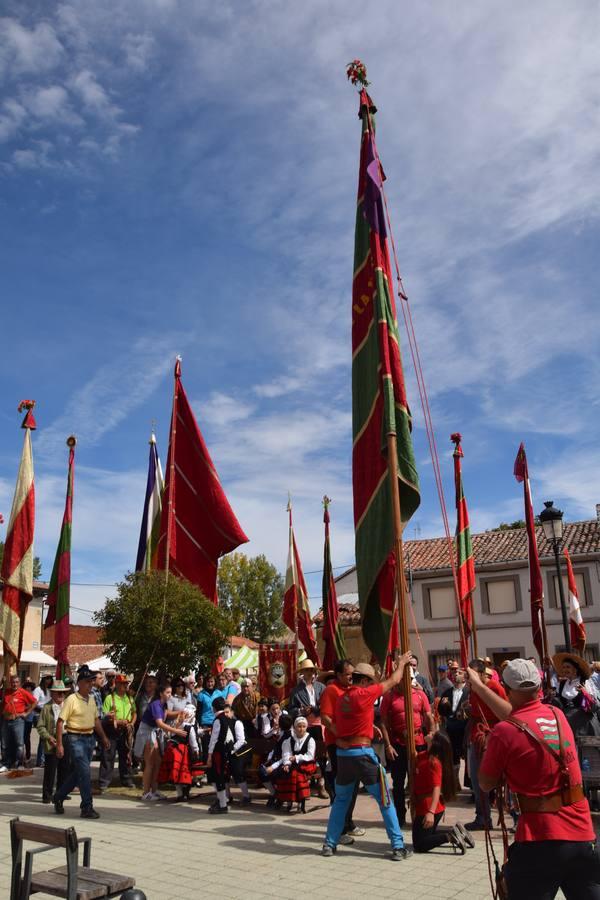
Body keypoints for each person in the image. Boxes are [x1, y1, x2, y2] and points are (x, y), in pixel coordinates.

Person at [476, 658, 600, 899]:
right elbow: (524, 722)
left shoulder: (504, 731)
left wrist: (491, 751)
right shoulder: (557, 714)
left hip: (541, 838)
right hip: (583, 833)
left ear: (508, 690)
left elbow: (485, 782)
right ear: (539, 686)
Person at [321, 653, 413, 860]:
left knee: (341, 801)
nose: (373, 685)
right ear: (364, 681)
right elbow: (394, 681)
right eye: (370, 681)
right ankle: (398, 847)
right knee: (385, 800)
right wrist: (402, 664)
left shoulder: (342, 697)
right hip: (363, 755)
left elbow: (342, 722)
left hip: (344, 755)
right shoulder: (363, 694)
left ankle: (329, 844)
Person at [53, 665, 111, 819]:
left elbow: (96, 720)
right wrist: (59, 744)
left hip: (89, 738)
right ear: (79, 683)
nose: (90, 684)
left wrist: (103, 737)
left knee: (79, 773)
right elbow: (60, 722)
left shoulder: (91, 699)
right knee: (85, 773)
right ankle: (87, 807)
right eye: (87, 681)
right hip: (75, 738)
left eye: (91, 681)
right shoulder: (71, 699)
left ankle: (58, 797)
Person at [380, 671, 436, 827]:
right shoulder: (389, 697)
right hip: (398, 744)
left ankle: (420, 813)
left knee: (419, 780)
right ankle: (400, 815)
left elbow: (429, 717)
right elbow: (383, 722)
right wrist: (388, 745)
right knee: (398, 783)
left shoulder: (419, 695)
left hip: (418, 742)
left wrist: (431, 736)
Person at [320, 659, 363, 841]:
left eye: (352, 673)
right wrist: (341, 736)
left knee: (353, 785)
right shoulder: (332, 690)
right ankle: (340, 829)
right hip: (337, 744)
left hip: (352, 744)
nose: (351, 677)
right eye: (347, 674)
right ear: (338, 675)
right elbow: (325, 719)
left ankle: (348, 822)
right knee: (343, 786)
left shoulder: (351, 690)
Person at [464, 658, 508, 830]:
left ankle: (514, 816)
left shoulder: (495, 688)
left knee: (502, 780)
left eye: (473, 675)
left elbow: (505, 711)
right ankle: (482, 817)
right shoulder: (473, 690)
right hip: (476, 737)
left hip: (492, 738)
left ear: (482, 673)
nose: (470, 679)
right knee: (476, 780)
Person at [412, 731, 472, 854]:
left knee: (419, 845)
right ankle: (456, 831)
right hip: (425, 805)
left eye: (433, 734)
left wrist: (430, 813)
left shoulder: (434, 762)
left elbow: (436, 788)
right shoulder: (425, 755)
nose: (430, 732)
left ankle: (450, 836)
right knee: (428, 835)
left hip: (429, 807)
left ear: (435, 743)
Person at [133, 682, 187, 801]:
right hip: (147, 732)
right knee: (150, 763)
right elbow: (160, 723)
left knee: (158, 762)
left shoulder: (164, 705)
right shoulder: (156, 704)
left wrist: (179, 720)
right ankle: (146, 793)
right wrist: (176, 731)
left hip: (155, 732)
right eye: (167, 692)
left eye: (170, 692)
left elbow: (163, 722)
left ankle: (154, 790)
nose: (170, 695)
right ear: (161, 693)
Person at [206, 697, 251, 813]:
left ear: (214, 708)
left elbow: (214, 739)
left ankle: (223, 804)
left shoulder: (219, 720)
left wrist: (210, 755)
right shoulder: (227, 719)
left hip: (221, 752)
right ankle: (223, 801)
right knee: (220, 776)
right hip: (226, 752)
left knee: (218, 776)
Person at [98, 674, 136, 790]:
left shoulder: (129, 698)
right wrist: (117, 722)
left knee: (126, 756)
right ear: (117, 684)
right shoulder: (110, 698)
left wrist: (131, 724)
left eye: (127, 684)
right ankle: (104, 781)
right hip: (112, 730)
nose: (126, 686)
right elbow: (105, 716)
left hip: (126, 731)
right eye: (123, 683)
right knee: (108, 756)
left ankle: (126, 779)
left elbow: (135, 713)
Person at [37, 680, 70, 803]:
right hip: (52, 739)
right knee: (50, 770)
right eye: (58, 693)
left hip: (66, 738)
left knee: (64, 768)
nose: (61, 695)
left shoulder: (68, 706)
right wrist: (49, 737)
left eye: (63, 693)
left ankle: (61, 793)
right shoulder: (46, 708)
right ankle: (47, 795)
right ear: (52, 694)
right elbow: (40, 726)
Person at [275, 716, 316, 813]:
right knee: (285, 773)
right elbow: (286, 753)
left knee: (296, 775)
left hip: (307, 763)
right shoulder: (290, 740)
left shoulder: (310, 739)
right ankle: (289, 799)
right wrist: (286, 764)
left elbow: (310, 755)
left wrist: (297, 758)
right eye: (299, 726)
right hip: (293, 763)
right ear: (294, 727)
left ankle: (300, 801)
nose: (301, 729)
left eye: (303, 726)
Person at [158, 703, 199, 800]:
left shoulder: (175, 725)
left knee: (176, 772)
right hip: (183, 751)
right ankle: (185, 794)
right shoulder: (190, 727)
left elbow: (170, 735)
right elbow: (193, 742)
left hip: (173, 750)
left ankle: (180, 794)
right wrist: (196, 751)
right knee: (185, 772)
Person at [553, 652, 598, 739]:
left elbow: (594, 705)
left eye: (568, 667)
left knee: (587, 751)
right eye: (563, 667)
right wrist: (552, 698)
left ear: (575, 669)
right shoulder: (562, 684)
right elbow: (559, 705)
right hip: (568, 724)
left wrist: (585, 693)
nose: (565, 669)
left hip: (585, 725)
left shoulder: (585, 682)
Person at [438, 667, 469, 785]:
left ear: (465, 676)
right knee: (453, 757)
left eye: (459, 673)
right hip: (451, 728)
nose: (456, 674)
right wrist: (443, 705)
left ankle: (471, 787)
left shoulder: (468, 692)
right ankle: (455, 783)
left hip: (465, 729)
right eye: (455, 672)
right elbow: (441, 712)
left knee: (467, 756)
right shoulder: (447, 692)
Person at [1, 674, 36, 770]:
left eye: (16, 682)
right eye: (13, 682)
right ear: (10, 683)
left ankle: (19, 763)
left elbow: (34, 702)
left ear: (19, 683)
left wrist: (26, 713)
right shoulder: (6, 692)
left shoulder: (23, 692)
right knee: (4, 744)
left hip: (18, 721)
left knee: (19, 744)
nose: (14, 684)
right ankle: (5, 763)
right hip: (6, 720)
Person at [33, 674, 53, 766]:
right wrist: (44, 710)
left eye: (50, 678)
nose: (48, 680)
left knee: (47, 737)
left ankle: (44, 759)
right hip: (39, 714)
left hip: (48, 714)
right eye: (47, 678)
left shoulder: (50, 690)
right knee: (43, 737)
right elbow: (35, 703)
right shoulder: (38, 690)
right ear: (43, 679)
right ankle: (40, 760)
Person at [196, 674, 216, 762]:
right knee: (206, 744)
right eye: (208, 682)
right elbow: (199, 711)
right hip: (205, 722)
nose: (210, 684)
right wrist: (199, 724)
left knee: (216, 743)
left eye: (212, 681)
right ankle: (205, 764)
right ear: (205, 683)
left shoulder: (219, 693)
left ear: (215, 682)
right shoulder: (201, 694)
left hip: (217, 721)